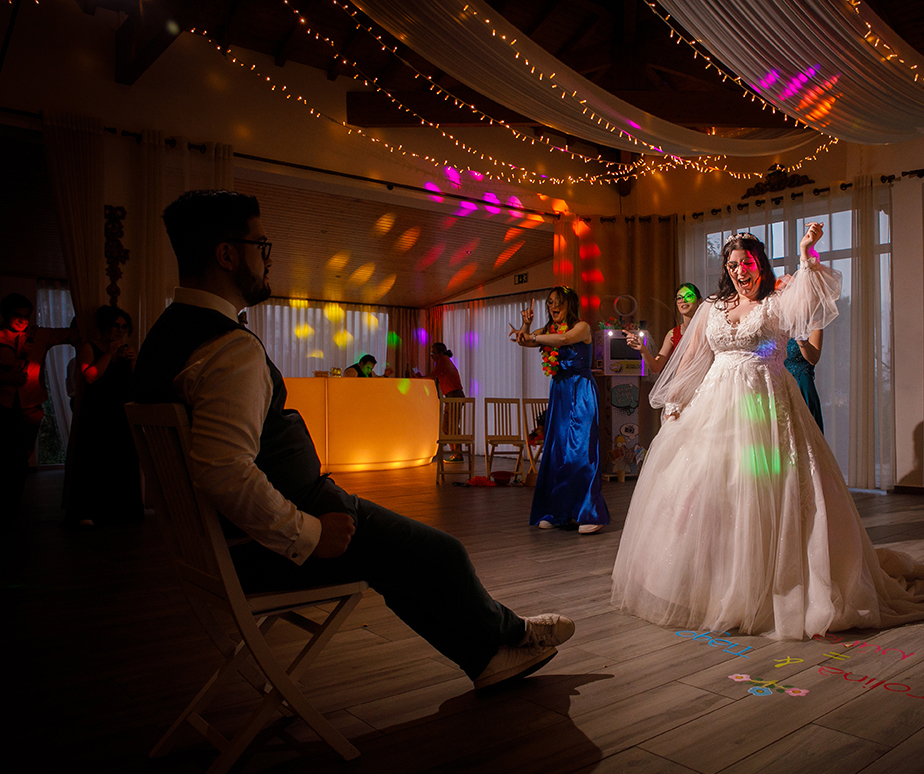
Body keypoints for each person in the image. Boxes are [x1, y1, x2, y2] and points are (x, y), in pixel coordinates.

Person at [132, 190, 573, 690]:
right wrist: (310, 534)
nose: (268, 257)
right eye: (261, 244)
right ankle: (510, 634)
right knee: (441, 553)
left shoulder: (162, 339)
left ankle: (490, 654)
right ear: (227, 254)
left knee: (401, 558)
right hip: (267, 547)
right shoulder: (227, 348)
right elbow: (224, 472)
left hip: (222, 549)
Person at [610, 227, 924, 639]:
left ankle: (768, 585)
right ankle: (712, 587)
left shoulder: (777, 304)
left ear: (759, 263)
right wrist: (677, 405)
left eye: (746, 263)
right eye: (732, 265)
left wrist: (806, 254)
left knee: (767, 491)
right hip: (716, 406)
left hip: (765, 403)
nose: (740, 271)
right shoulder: (711, 307)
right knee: (708, 490)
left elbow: (815, 298)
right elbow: (692, 360)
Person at [515, 287, 609, 534]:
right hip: (560, 391)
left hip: (581, 389)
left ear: (569, 305)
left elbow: (564, 340)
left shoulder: (582, 328)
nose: (552, 307)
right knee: (557, 451)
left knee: (581, 451)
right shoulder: (546, 331)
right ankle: (557, 512)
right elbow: (523, 341)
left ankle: (590, 512)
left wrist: (533, 337)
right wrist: (526, 326)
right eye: (549, 303)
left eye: (557, 302)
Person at [62, 305, 142, 526]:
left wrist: (132, 361)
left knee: (122, 459)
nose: (119, 331)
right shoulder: (90, 347)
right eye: (115, 326)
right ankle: (88, 511)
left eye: (124, 327)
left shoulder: (125, 350)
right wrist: (109, 353)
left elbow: (135, 384)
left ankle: (121, 510)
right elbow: (89, 376)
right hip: (97, 412)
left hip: (120, 412)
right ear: (105, 327)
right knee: (93, 460)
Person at [0, 293, 74, 518]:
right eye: (17, 315)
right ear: (4, 315)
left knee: (20, 458)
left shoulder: (38, 335)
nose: (22, 320)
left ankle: (12, 508)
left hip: (30, 406)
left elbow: (70, 334)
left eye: (26, 316)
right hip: (2, 404)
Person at [626, 283, 701, 373]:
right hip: (682, 383)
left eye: (689, 296)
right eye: (679, 298)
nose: (683, 300)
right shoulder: (672, 334)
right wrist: (642, 349)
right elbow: (656, 367)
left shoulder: (708, 329)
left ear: (699, 301)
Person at [414, 343, 466, 460]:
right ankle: (456, 453)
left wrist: (420, 378)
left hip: (453, 395)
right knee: (448, 427)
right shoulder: (444, 360)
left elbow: (433, 375)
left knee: (450, 426)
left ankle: (458, 454)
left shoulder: (443, 360)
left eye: (433, 353)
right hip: (452, 395)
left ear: (440, 353)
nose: (431, 356)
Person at [784, 332, 824, 433]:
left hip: (801, 385)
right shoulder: (777, 322)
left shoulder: (813, 324)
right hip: (780, 384)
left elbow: (814, 359)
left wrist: (800, 339)